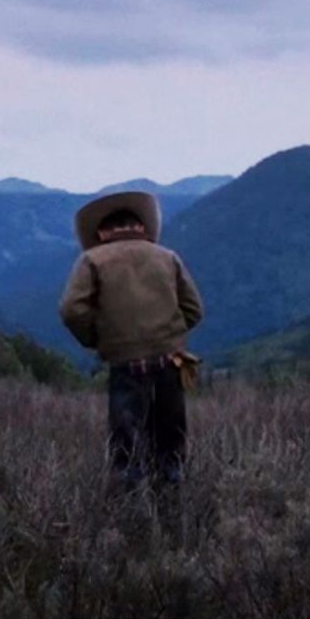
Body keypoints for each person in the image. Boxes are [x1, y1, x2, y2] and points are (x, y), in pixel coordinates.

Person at [58, 190, 205, 491]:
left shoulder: (92, 260)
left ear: (101, 232)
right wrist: (169, 335)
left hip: (125, 365)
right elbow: (194, 310)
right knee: (170, 446)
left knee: (126, 448)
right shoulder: (168, 258)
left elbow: (71, 310)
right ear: (142, 227)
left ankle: (129, 519)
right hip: (171, 363)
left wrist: (97, 339)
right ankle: (173, 514)